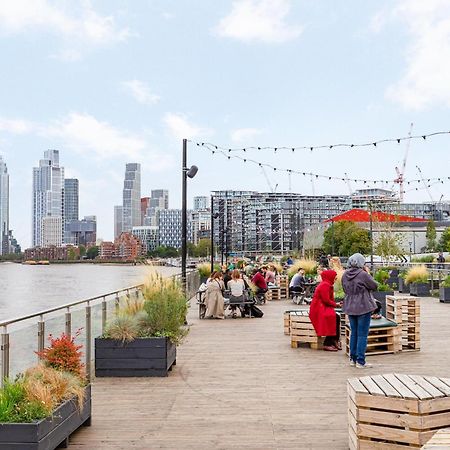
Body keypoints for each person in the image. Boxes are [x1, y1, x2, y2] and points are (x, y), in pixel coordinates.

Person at [342, 253, 378, 369]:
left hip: (350, 306)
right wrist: (367, 273)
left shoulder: (345, 274)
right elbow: (374, 286)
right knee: (362, 334)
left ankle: (353, 359)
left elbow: (344, 288)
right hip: (363, 306)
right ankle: (360, 361)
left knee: (354, 333)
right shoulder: (363, 274)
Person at [309, 270, 342, 351]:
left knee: (336, 317)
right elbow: (326, 300)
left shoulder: (327, 284)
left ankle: (334, 340)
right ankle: (327, 343)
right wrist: (336, 304)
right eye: (334, 277)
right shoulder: (325, 285)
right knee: (333, 317)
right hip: (318, 308)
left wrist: (335, 303)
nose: (335, 278)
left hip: (321, 307)